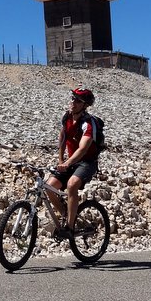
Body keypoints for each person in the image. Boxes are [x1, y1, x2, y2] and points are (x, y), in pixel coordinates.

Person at [46, 87, 100, 238]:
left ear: (85, 105)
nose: (73, 102)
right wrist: (61, 159)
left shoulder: (88, 123)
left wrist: (67, 163)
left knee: (72, 184)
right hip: (71, 161)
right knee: (49, 187)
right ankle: (66, 214)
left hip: (87, 163)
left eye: (78, 100)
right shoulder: (67, 117)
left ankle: (70, 228)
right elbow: (62, 137)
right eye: (72, 99)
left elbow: (83, 149)